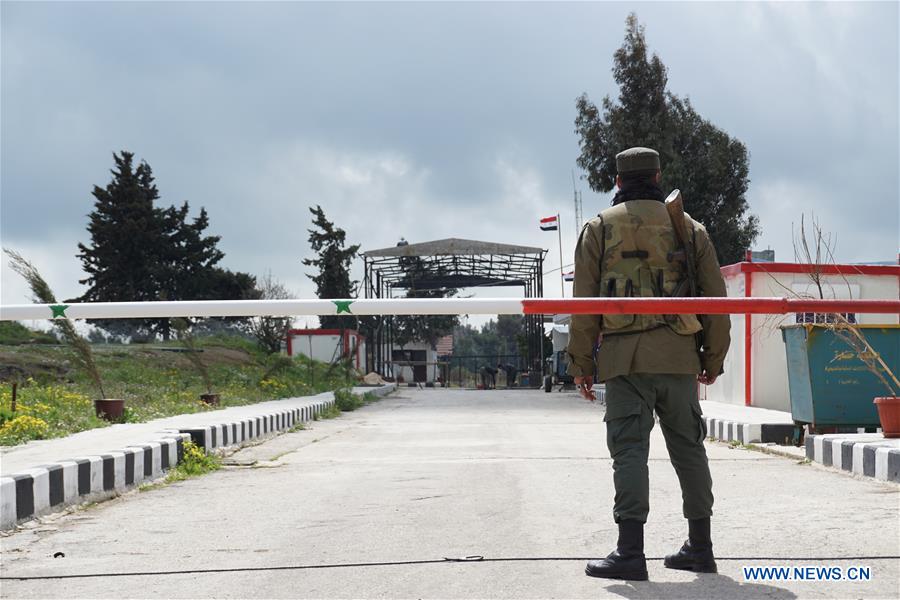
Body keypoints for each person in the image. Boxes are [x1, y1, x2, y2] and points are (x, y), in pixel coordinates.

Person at [566, 147, 731, 581]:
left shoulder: (598, 228)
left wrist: (581, 364)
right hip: (679, 356)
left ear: (618, 182)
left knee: (629, 451)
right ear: (658, 177)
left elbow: (583, 307)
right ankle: (701, 548)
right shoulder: (690, 229)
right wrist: (712, 358)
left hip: (626, 361)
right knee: (689, 450)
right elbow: (716, 300)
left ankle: (630, 553)